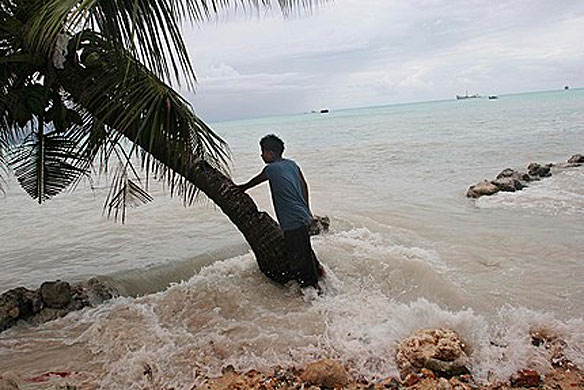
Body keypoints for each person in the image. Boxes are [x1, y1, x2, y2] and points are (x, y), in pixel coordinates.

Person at [238, 134, 325, 290]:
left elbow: (256, 180)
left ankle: (313, 287)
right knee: (304, 247)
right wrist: (307, 209)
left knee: (298, 255)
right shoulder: (292, 164)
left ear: (270, 153)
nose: (261, 155)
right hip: (303, 214)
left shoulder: (270, 169)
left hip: (291, 220)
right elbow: (304, 185)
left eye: (263, 152)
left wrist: (242, 188)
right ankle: (320, 271)